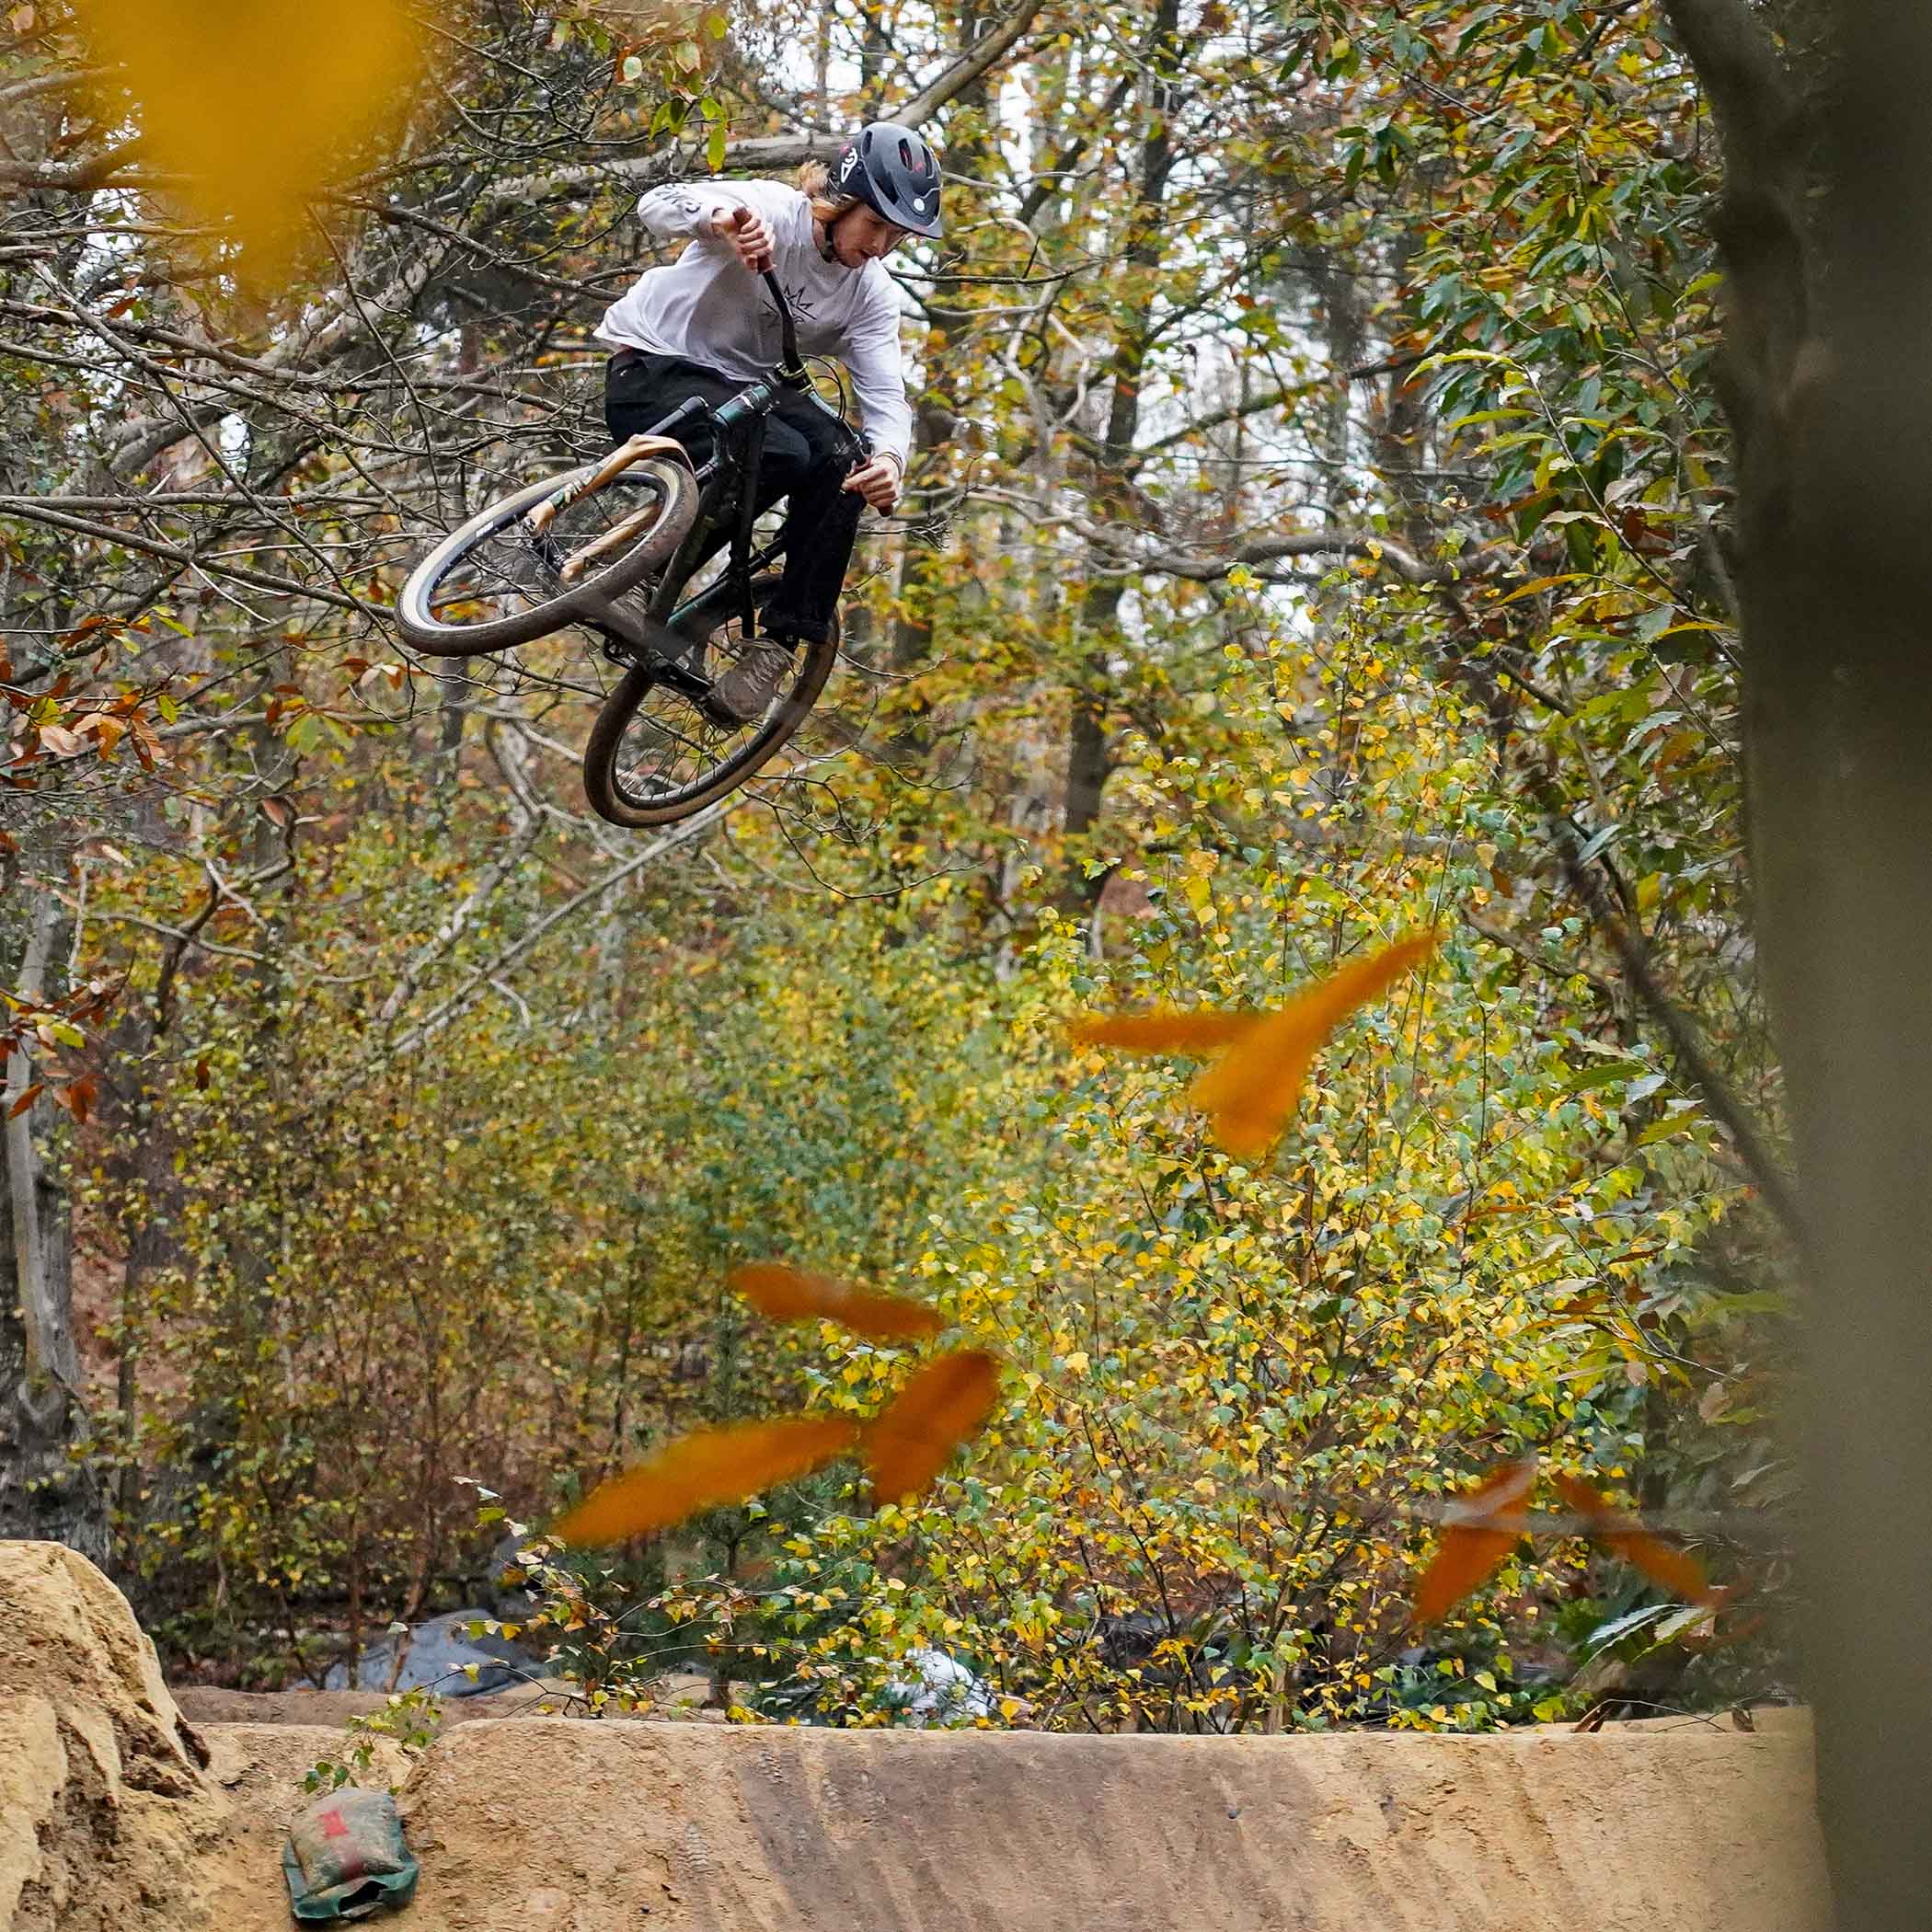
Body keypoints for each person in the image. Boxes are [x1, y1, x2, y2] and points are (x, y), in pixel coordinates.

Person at [594, 121, 942, 723]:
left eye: (898, 236)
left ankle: (776, 645)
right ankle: (639, 566)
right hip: (650, 370)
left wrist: (888, 461)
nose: (882, 247)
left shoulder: (870, 294)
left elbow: (885, 391)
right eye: (875, 226)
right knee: (777, 448)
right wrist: (721, 221)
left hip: (739, 394)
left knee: (843, 463)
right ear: (840, 202)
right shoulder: (773, 212)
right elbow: (656, 205)